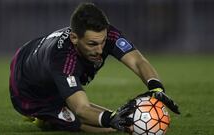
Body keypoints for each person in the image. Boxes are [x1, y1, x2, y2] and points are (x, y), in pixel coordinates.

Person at [9, 2, 180, 133]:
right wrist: (110, 119)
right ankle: (45, 117)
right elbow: (81, 109)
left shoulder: (107, 34)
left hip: (36, 57)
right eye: (92, 44)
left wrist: (156, 86)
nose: (99, 50)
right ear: (75, 38)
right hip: (27, 89)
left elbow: (137, 60)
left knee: (116, 121)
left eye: (103, 42)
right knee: (105, 128)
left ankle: (55, 115)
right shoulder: (63, 60)